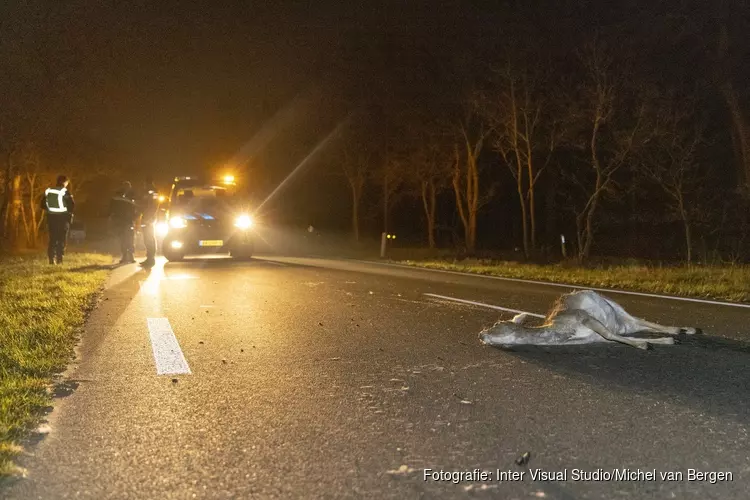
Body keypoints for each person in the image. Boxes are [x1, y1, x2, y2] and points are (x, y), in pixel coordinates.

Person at [40, 175, 75, 264]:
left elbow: (42, 205)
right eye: (67, 183)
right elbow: (72, 206)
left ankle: (51, 259)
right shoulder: (65, 192)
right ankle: (60, 259)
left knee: (53, 239)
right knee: (61, 239)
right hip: (63, 219)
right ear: (65, 182)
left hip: (51, 219)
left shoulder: (48, 191)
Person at [109, 181, 137, 264]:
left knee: (129, 238)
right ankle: (126, 255)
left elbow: (135, 208)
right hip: (122, 220)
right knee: (124, 239)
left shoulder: (131, 195)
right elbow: (112, 207)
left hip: (127, 220)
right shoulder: (119, 195)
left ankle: (130, 256)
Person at [137, 177, 159, 268]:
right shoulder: (147, 191)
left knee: (149, 238)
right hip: (146, 216)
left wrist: (150, 217)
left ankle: (151, 259)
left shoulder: (153, 191)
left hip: (149, 218)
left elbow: (155, 204)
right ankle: (149, 258)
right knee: (147, 238)